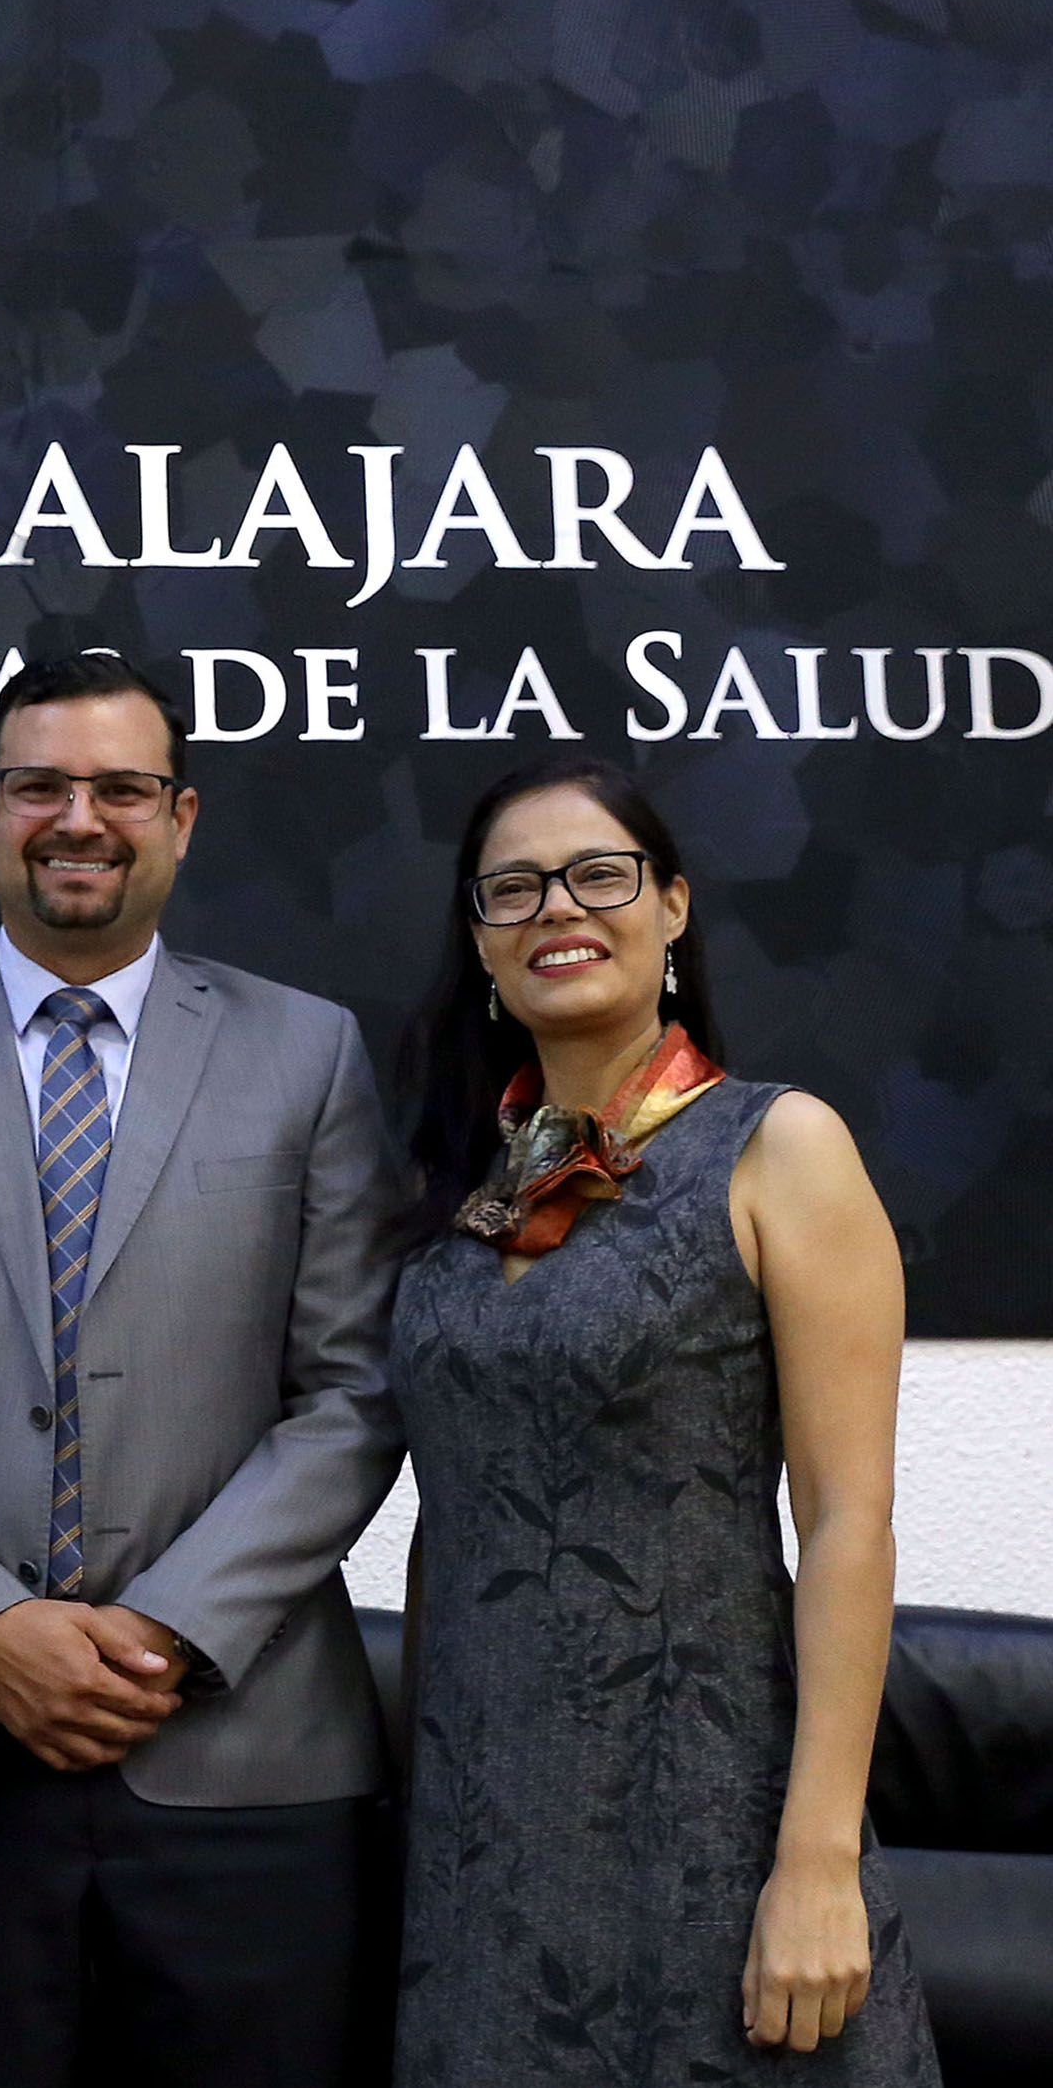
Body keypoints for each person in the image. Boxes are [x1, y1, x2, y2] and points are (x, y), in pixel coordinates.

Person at [0, 649, 405, 2088]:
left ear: (181, 815)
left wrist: (163, 1627)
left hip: (239, 1752)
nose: (78, 818)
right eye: (40, 785)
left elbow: (353, 1390)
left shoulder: (307, 1053)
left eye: (120, 787)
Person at [388, 754, 939, 2084]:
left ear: (673, 906)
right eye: (513, 887)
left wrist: (815, 1862)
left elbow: (847, 1519)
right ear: (479, 937)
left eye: (598, 874)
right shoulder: (462, 1185)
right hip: (477, 1837)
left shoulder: (777, 1145)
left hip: (708, 1813)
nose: (555, 907)